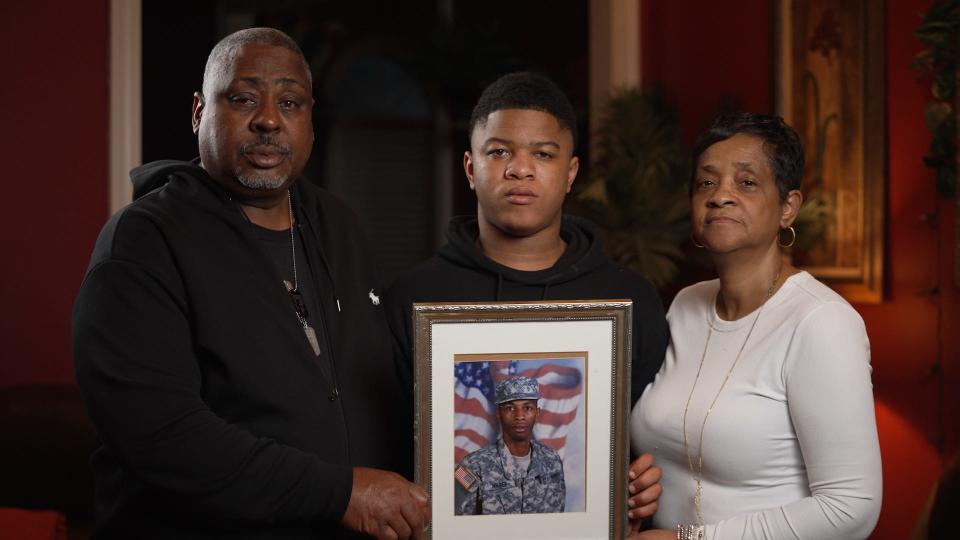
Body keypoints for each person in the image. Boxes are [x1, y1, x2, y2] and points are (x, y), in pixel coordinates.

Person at [72, 28, 427, 539]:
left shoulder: (338, 224)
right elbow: (162, 434)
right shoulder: (143, 242)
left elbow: (382, 380)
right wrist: (339, 493)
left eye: (289, 101)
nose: (267, 119)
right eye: (242, 98)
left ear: (310, 122)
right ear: (199, 112)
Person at [383, 71, 667, 524]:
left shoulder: (629, 299)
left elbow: (641, 448)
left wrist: (642, 485)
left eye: (543, 153)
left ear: (570, 172)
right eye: (499, 152)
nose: (520, 168)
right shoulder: (414, 298)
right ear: (471, 169)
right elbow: (391, 450)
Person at [628, 112, 882, 539]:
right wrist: (635, 493)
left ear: (788, 207)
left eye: (746, 182)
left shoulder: (821, 323)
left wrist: (691, 539)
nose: (720, 196)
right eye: (706, 182)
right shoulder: (685, 307)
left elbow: (851, 507)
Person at [453, 376, 565, 515]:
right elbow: (460, 526)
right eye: (510, 408)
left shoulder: (552, 460)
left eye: (528, 408)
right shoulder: (469, 467)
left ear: (537, 413)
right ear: (499, 414)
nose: (520, 416)